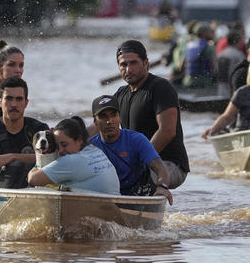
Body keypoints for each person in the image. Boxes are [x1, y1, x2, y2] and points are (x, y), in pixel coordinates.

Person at [101, 39, 189, 189]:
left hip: (169, 165)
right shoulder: (121, 94)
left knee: (127, 180)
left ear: (146, 62)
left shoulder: (160, 87)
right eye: (123, 65)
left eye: (133, 63)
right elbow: (98, 125)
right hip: (136, 164)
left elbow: (167, 131)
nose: (128, 69)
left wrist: (137, 161)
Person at [89, 95, 173, 205]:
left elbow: (160, 168)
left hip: (139, 195)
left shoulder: (137, 140)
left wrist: (162, 187)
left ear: (120, 117)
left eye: (113, 115)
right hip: (108, 196)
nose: (110, 121)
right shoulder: (90, 147)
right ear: (95, 121)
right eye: (103, 117)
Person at [27, 116, 120, 195]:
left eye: (64, 145)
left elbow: (33, 179)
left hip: (102, 212)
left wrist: (36, 166)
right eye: (57, 147)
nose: (60, 151)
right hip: (115, 204)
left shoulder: (71, 160)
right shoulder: (94, 150)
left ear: (79, 140)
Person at [182, 22, 216, 88]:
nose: (211, 33)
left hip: (187, 81)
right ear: (204, 33)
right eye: (209, 31)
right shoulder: (208, 47)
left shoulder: (189, 45)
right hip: (203, 82)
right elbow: (214, 66)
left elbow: (181, 66)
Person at [216, 30, 246, 97]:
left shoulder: (221, 54)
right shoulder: (239, 55)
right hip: (232, 87)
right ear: (237, 41)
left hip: (221, 86)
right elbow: (239, 74)